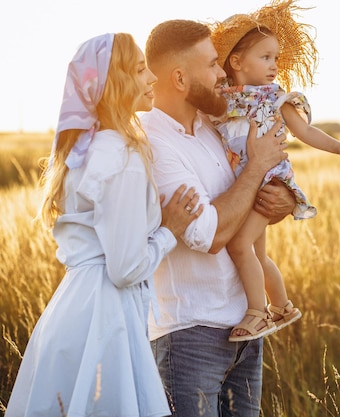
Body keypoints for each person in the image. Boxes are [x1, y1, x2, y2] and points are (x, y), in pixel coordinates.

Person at [5, 33, 201, 417]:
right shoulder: (120, 155)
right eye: (140, 69)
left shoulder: (87, 149)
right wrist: (169, 231)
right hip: (105, 317)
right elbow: (126, 268)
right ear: (116, 81)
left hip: (72, 309)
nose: (152, 80)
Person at [142, 19, 296, 417]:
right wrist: (257, 166)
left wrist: (278, 198)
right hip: (190, 336)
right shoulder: (153, 145)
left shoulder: (215, 127)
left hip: (245, 329)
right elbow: (209, 235)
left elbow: (245, 202)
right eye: (212, 65)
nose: (221, 73)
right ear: (179, 77)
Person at [209, 0, 340, 342]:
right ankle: (282, 306)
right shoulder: (221, 99)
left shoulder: (275, 98)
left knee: (239, 246)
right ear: (236, 62)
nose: (274, 66)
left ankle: (257, 312)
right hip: (244, 184)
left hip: (267, 182)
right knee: (257, 252)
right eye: (266, 57)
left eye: (276, 58)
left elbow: (306, 131)